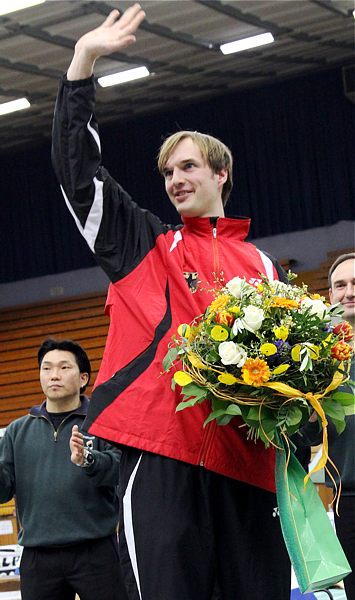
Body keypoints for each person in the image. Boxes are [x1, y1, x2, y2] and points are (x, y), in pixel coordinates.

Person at [51, 5, 291, 599]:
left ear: (221, 173)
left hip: (244, 465)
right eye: (166, 172)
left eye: (188, 166)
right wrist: (81, 66)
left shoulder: (261, 266)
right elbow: (78, 175)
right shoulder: (144, 247)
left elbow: (287, 373)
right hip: (162, 455)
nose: (174, 179)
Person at [0, 338, 127, 600]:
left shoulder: (102, 423)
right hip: (38, 556)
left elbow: (120, 472)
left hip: (96, 552)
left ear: (82, 378)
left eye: (63, 367)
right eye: (46, 368)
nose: (54, 375)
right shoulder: (17, 431)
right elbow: (3, 490)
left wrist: (88, 459)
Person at [294, 252, 355, 600]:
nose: (348, 291)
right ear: (329, 296)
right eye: (340, 285)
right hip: (345, 506)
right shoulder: (316, 367)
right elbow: (308, 442)